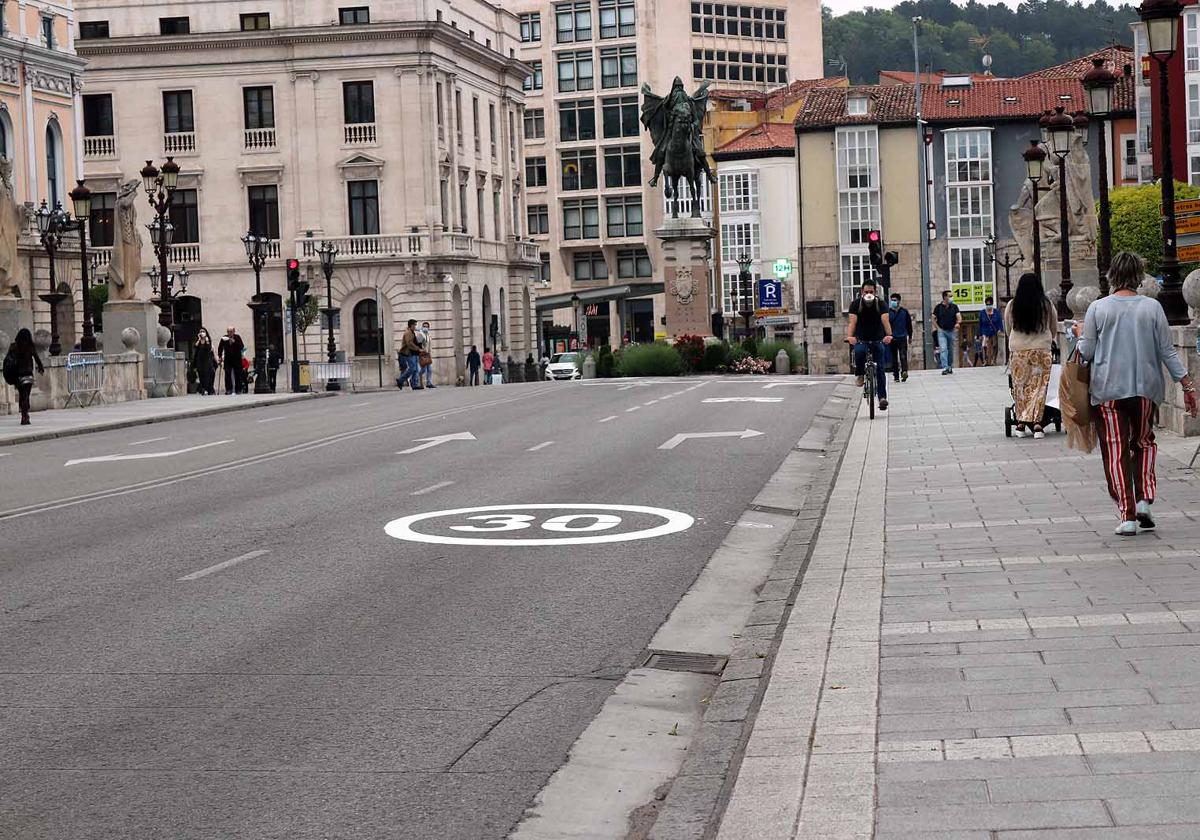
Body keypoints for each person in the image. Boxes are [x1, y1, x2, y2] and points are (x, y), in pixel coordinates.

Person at [1075, 251, 1198, 536]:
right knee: (1143, 443)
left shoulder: (1098, 308)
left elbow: (1087, 352)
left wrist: (1079, 335)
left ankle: (1127, 514)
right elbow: (1167, 351)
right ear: (1139, 277)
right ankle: (1144, 499)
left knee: (1117, 450)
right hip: (1145, 388)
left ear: (1112, 276)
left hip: (1107, 391)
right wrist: (1187, 386)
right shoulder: (1152, 308)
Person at [1004, 274, 1057, 441]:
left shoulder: (1013, 305)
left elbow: (1008, 327)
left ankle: (1020, 423)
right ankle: (1037, 424)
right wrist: (1048, 340)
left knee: (1021, 388)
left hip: (1019, 350)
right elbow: (1053, 326)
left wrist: (1016, 342)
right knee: (1039, 388)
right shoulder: (1047, 305)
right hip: (1041, 349)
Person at [846, 279, 893, 411]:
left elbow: (885, 320)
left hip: (877, 338)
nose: (868, 294)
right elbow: (852, 323)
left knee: (880, 368)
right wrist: (850, 337)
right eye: (866, 292)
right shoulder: (855, 304)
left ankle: (882, 398)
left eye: (871, 292)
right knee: (859, 352)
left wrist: (889, 335)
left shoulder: (881, 303)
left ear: (875, 292)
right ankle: (860, 374)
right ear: (862, 292)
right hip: (861, 338)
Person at [3, 328, 43, 425]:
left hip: (18, 375)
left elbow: (8, 360)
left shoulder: (14, 347)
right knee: (26, 395)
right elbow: (37, 358)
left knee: (22, 394)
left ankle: (24, 414)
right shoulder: (30, 346)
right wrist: (41, 368)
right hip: (28, 375)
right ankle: (26, 414)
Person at [933, 291, 961, 375]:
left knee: (950, 350)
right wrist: (937, 328)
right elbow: (933, 318)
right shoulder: (938, 307)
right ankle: (945, 367)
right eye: (950, 296)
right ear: (945, 297)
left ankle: (949, 366)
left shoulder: (954, 307)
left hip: (951, 331)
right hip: (942, 331)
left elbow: (959, 316)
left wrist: (958, 323)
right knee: (943, 348)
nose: (952, 297)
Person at [888, 293, 912, 382]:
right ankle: (896, 375)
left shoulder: (904, 312)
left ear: (899, 301)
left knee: (903, 355)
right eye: (892, 300)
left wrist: (910, 336)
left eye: (895, 300)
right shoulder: (888, 312)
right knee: (894, 358)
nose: (893, 302)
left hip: (902, 337)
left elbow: (909, 325)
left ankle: (904, 371)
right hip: (892, 338)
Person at [217, 326, 245, 395]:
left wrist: (234, 342)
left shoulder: (237, 337)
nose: (229, 333)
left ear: (234, 331)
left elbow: (241, 346)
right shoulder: (224, 338)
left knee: (238, 375)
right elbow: (220, 347)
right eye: (228, 331)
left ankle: (238, 389)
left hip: (237, 359)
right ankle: (228, 389)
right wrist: (220, 356)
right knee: (227, 374)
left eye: (231, 331)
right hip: (228, 359)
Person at [979, 297, 1006, 365]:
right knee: (984, 345)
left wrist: (1000, 329)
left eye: (990, 304)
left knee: (994, 345)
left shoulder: (996, 312)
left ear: (992, 304)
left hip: (994, 331)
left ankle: (993, 360)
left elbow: (999, 321)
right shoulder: (982, 312)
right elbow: (980, 323)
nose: (989, 306)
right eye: (987, 304)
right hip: (985, 331)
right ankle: (985, 360)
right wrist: (980, 334)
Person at [399, 319, 423, 390]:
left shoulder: (412, 332)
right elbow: (409, 343)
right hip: (407, 353)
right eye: (415, 325)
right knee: (412, 368)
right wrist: (418, 348)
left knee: (415, 369)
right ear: (411, 325)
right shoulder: (408, 332)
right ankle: (400, 380)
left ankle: (414, 384)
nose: (416, 326)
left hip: (412, 353)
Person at [192, 328, 218, 395]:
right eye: (200, 331)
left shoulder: (208, 341)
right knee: (201, 375)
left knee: (207, 375)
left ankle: (207, 389)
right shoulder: (198, 341)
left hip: (207, 361)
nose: (202, 333)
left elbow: (209, 348)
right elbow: (195, 346)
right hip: (199, 361)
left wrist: (207, 341)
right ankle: (203, 388)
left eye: (203, 331)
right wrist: (199, 339)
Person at [418, 321, 435, 388]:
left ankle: (429, 383)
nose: (425, 328)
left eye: (426, 327)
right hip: (423, 354)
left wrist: (430, 352)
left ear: (428, 328)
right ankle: (417, 376)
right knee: (423, 369)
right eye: (424, 326)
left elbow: (429, 345)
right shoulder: (420, 334)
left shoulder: (429, 335)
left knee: (430, 369)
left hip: (428, 354)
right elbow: (418, 343)